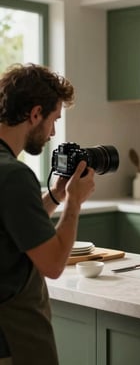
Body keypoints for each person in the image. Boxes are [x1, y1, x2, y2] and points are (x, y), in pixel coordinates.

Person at [0, 63, 95, 365]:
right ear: (35, 113)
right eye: (54, 119)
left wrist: (55, 196)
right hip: (12, 340)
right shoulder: (14, 175)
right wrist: (75, 202)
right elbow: (53, 264)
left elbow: (13, 227)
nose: (53, 132)